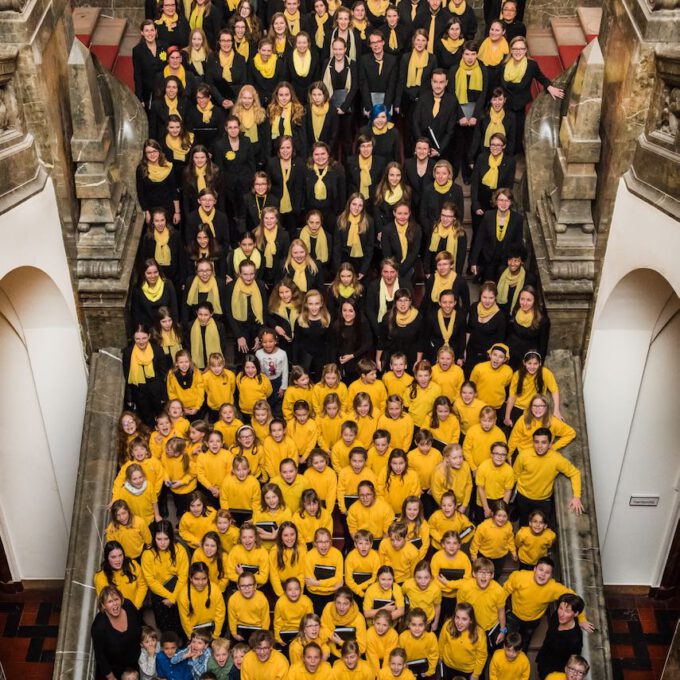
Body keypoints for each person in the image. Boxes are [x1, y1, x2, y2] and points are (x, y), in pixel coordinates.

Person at [499, 36, 564, 151]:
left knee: (516, 133)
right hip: (504, 105)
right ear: (511, 50)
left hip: (519, 105)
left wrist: (549, 87)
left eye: (521, 49)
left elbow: (541, 77)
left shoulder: (531, 65)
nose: (518, 52)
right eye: (515, 49)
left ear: (526, 50)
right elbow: (498, 83)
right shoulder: (504, 63)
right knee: (503, 131)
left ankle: (513, 156)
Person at [512, 427, 583, 526]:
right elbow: (514, 475)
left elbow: (575, 473)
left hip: (543, 500)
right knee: (524, 523)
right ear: (533, 443)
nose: (539, 446)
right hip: (523, 496)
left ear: (550, 444)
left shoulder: (557, 459)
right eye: (536, 442)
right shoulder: (523, 456)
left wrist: (577, 497)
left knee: (541, 526)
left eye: (544, 442)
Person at [91, 586, 142, 680]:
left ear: (121, 599)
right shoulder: (99, 626)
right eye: (110, 601)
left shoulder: (128, 606)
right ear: (103, 605)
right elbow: (100, 655)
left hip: (135, 663)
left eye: (116, 599)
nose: (115, 604)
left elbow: (140, 623)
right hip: (114, 669)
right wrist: (111, 677)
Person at [123, 324, 168, 425]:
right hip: (139, 393)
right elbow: (127, 376)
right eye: (137, 339)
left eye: (144, 338)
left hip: (157, 392)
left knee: (161, 418)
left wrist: (164, 395)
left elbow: (164, 374)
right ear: (133, 338)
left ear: (149, 336)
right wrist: (129, 398)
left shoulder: (157, 350)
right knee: (146, 421)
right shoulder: (128, 352)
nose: (141, 341)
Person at [536, 594, 585, 679]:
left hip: (555, 670)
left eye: (567, 611)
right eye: (560, 608)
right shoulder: (556, 616)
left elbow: (571, 662)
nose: (561, 614)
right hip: (544, 657)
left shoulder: (575, 640)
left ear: (576, 613)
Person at [133, 20, 167, 111]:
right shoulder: (137, 50)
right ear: (142, 33)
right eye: (146, 31)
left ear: (156, 31)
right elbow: (137, 75)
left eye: (152, 30)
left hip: (164, 90)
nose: (150, 33)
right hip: (147, 93)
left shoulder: (164, 46)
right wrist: (139, 98)